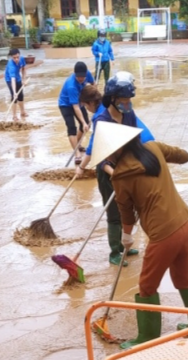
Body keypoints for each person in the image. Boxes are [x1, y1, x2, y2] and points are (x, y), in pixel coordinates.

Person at [84, 121, 188, 349]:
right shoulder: (154, 148)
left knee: (146, 286)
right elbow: (184, 156)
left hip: (163, 234)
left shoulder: (120, 177)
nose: (108, 160)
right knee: (183, 279)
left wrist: (126, 237)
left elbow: (126, 213)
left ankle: (147, 337)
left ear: (116, 150)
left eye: (107, 155)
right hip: (185, 224)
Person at [76, 72, 155, 266]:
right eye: (123, 100)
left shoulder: (129, 114)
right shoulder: (102, 120)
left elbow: (134, 140)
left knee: (129, 208)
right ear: (112, 99)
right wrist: (116, 175)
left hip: (125, 168)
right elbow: (101, 156)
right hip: (108, 171)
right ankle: (115, 251)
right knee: (114, 213)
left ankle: (124, 244)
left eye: (128, 99)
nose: (126, 103)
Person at [57, 61, 95, 165]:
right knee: (72, 127)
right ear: (75, 74)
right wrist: (83, 122)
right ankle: (77, 153)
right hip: (66, 105)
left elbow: (93, 85)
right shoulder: (71, 86)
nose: (81, 79)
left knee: (86, 124)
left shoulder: (87, 74)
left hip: (79, 101)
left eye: (83, 77)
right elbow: (76, 107)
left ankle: (77, 144)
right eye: (79, 77)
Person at [5, 48, 27, 121]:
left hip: (18, 77)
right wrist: (14, 92)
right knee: (14, 97)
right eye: (14, 58)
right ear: (11, 57)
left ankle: (22, 112)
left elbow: (23, 68)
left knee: (21, 95)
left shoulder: (22, 59)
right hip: (10, 79)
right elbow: (12, 80)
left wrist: (23, 79)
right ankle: (14, 116)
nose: (16, 59)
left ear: (19, 55)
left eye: (17, 57)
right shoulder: (11, 66)